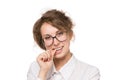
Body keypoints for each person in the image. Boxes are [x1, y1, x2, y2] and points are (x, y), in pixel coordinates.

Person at [27, 9, 100, 80]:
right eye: (48, 37)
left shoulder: (90, 73)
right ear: (43, 42)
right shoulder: (35, 69)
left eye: (60, 34)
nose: (55, 43)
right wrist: (43, 73)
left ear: (70, 34)